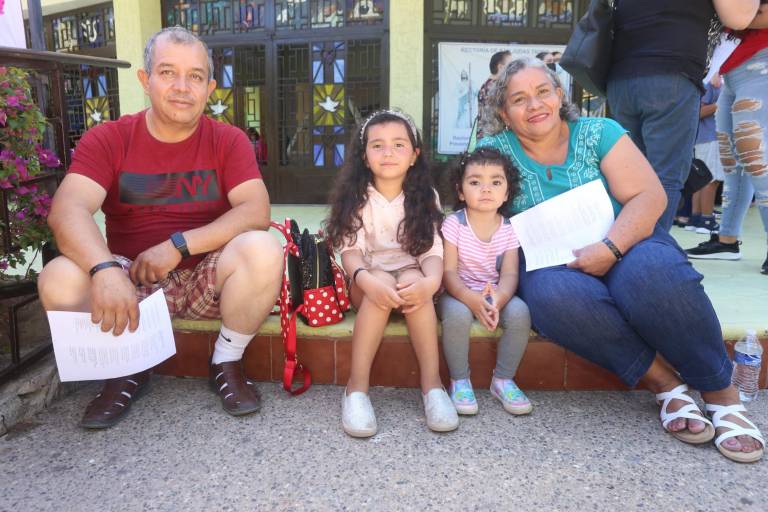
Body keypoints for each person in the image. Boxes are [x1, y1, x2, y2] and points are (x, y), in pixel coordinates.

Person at [478, 57, 764, 463]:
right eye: (518, 99)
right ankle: (666, 385)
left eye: (543, 91)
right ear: (504, 113)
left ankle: (721, 393)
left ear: (560, 94)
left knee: (655, 275)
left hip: (626, 242)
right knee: (553, 297)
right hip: (551, 261)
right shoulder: (493, 152)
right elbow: (478, 214)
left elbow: (650, 196)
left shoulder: (599, 132)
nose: (535, 104)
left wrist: (610, 249)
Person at [37, 27, 283, 428]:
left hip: (208, 277)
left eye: (196, 76)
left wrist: (177, 246)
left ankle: (226, 360)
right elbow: (67, 210)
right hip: (131, 279)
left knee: (263, 247)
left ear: (210, 87)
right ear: (145, 79)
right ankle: (125, 368)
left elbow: (255, 209)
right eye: (168, 72)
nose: (182, 87)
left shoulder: (228, 140)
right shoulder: (109, 139)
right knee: (57, 278)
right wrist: (104, 269)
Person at [324, 109, 458, 438]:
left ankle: (432, 386)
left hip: (411, 274)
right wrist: (367, 278)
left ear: (414, 156)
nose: (388, 153)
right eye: (378, 145)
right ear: (364, 155)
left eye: (399, 145)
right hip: (366, 280)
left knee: (416, 282)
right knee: (379, 284)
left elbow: (431, 251)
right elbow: (350, 252)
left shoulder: (425, 196)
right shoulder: (355, 198)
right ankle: (356, 389)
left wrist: (431, 281)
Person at [606, 0, 762, 231]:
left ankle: (623, 248)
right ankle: (651, 252)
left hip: (621, 78)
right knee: (665, 177)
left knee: (632, 177)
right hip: (671, 73)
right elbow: (739, 17)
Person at [439, 147, 532, 416]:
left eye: (496, 182)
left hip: (493, 292)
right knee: (457, 316)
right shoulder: (454, 224)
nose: (486, 189)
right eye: (475, 182)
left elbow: (510, 274)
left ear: (506, 193)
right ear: (460, 191)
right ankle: (460, 380)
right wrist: (470, 298)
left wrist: (499, 299)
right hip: (456, 293)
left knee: (520, 312)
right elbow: (449, 273)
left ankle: (503, 380)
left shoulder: (508, 228)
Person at [686, 10, 768, 274]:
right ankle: (726, 240)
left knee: (756, 158)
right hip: (734, 69)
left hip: (762, 63)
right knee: (733, 162)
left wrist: (727, 16)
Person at [686, 74, 725, 234]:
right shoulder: (711, 83)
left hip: (706, 137)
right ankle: (707, 220)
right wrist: (722, 104)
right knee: (711, 180)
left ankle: (696, 219)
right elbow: (699, 112)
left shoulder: (712, 80)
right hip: (711, 137)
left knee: (701, 179)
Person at [477, 50, 513, 140]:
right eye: (510, 65)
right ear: (500, 67)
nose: (513, 68)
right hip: (492, 137)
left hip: (490, 136)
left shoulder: (490, 85)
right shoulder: (493, 87)